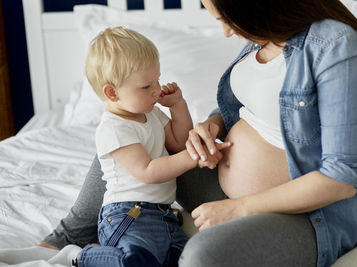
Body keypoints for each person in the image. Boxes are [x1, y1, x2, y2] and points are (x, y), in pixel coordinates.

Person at [40, 0, 357, 266]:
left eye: (226, 18)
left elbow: (341, 178)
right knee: (130, 130)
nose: (226, 31)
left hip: (311, 215)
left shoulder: (340, 49)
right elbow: (248, 109)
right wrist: (211, 126)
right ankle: (65, 240)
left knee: (202, 257)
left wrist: (239, 209)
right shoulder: (264, 37)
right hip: (219, 181)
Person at [49, 26, 228, 267]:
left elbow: (178, 140)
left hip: (163, 216)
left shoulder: (151, 114)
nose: (156, 90)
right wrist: (194, 157)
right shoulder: (114, 128)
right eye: (146, 86)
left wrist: (177, 106)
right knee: (134, 261)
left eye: (157, 80)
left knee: (186, 260)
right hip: (127, 216)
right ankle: (80, 256)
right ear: (112, 93)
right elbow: (149, 171)